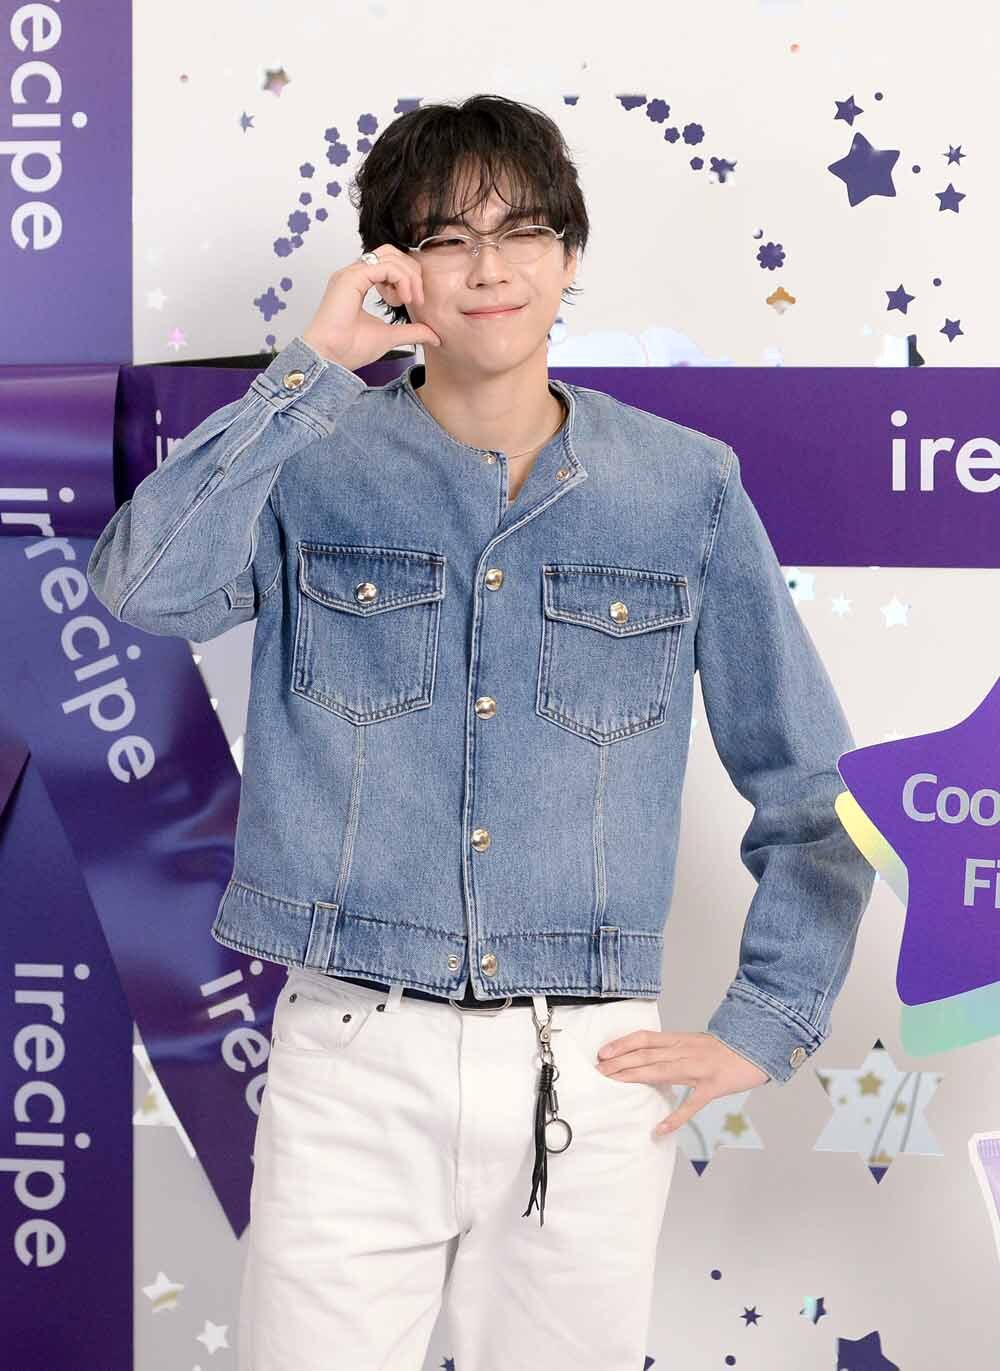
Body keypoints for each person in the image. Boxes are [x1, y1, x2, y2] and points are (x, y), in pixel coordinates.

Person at [87, 93, 874, 1371]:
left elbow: (812, 782)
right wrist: (310, 372)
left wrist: (767, 1018)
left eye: (521, 232)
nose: (489, 268)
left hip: (591, 1070)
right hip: (351, 1054)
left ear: (570, 252)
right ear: (395, 269)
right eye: (446, 239)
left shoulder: (683, 486)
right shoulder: (310, 459)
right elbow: (144, 588)